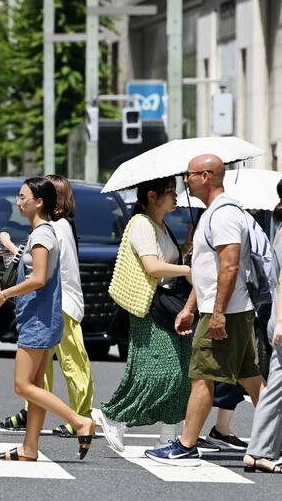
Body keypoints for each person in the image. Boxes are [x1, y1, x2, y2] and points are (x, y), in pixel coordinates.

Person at [145, 154, 266, 466]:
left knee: (201, 376)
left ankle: (185, 444)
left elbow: (229, 265)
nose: (186, 180)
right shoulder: (212, 215)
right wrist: (189, 307)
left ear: (208, 176)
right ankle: (272, 438)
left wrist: (217, 313)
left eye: (191, 174)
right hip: (225, 308)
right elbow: (208, 270)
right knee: (251, 378)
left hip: (225, 310)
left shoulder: (224, 215)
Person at [0, 177, 96, 462]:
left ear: (39, 202)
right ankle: (29, 447)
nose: (18, 202)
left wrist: (5, 294)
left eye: (23, 197)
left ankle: (80, 421)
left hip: (38, 319)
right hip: (40, 317)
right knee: (36, 386)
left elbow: (38, 278)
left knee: (23, 385)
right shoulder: (43, 233)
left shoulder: (43, 235)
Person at [94, 177, 193, 451]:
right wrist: (187, 270)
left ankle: (169, 436)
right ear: (152, 195)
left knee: (182, 372)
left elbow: (168, 261)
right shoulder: (140, 224)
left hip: (170, 304)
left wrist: (186, 250)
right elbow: (153, 267)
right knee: (162, 371)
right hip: (150, 307)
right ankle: (115, 414)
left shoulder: (162, 225)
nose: (176, 197)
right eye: (170, 192)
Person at [242, 178, 282, 473]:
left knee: (274, 389)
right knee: (275, 389)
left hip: (278, 319)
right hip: (281, 319)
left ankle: (260, 449)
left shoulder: (280, 230)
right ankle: (261, 450)